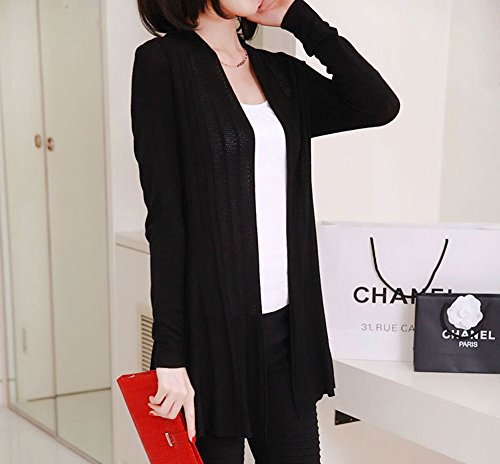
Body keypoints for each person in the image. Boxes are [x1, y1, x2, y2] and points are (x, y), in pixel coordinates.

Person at [131, 0, 400, 462]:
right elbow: (166, 221)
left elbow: (378, 104)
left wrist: (302, 21)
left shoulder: (278, 72)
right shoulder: (163, 63)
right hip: (210, 339)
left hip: (287, 331)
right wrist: (170, 356)